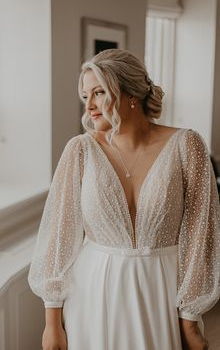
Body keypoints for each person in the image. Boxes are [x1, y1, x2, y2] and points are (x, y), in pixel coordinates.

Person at [28, 49, 220, 350]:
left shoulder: (187, 145)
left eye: (98, 92)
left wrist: (190, 317)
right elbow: (59, 236)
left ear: (130, 92)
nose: (89, 105)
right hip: (93, 291)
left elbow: (201, 234)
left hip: (162, 289)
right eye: (84, 95)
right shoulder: (80, 149)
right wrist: (52, 323)